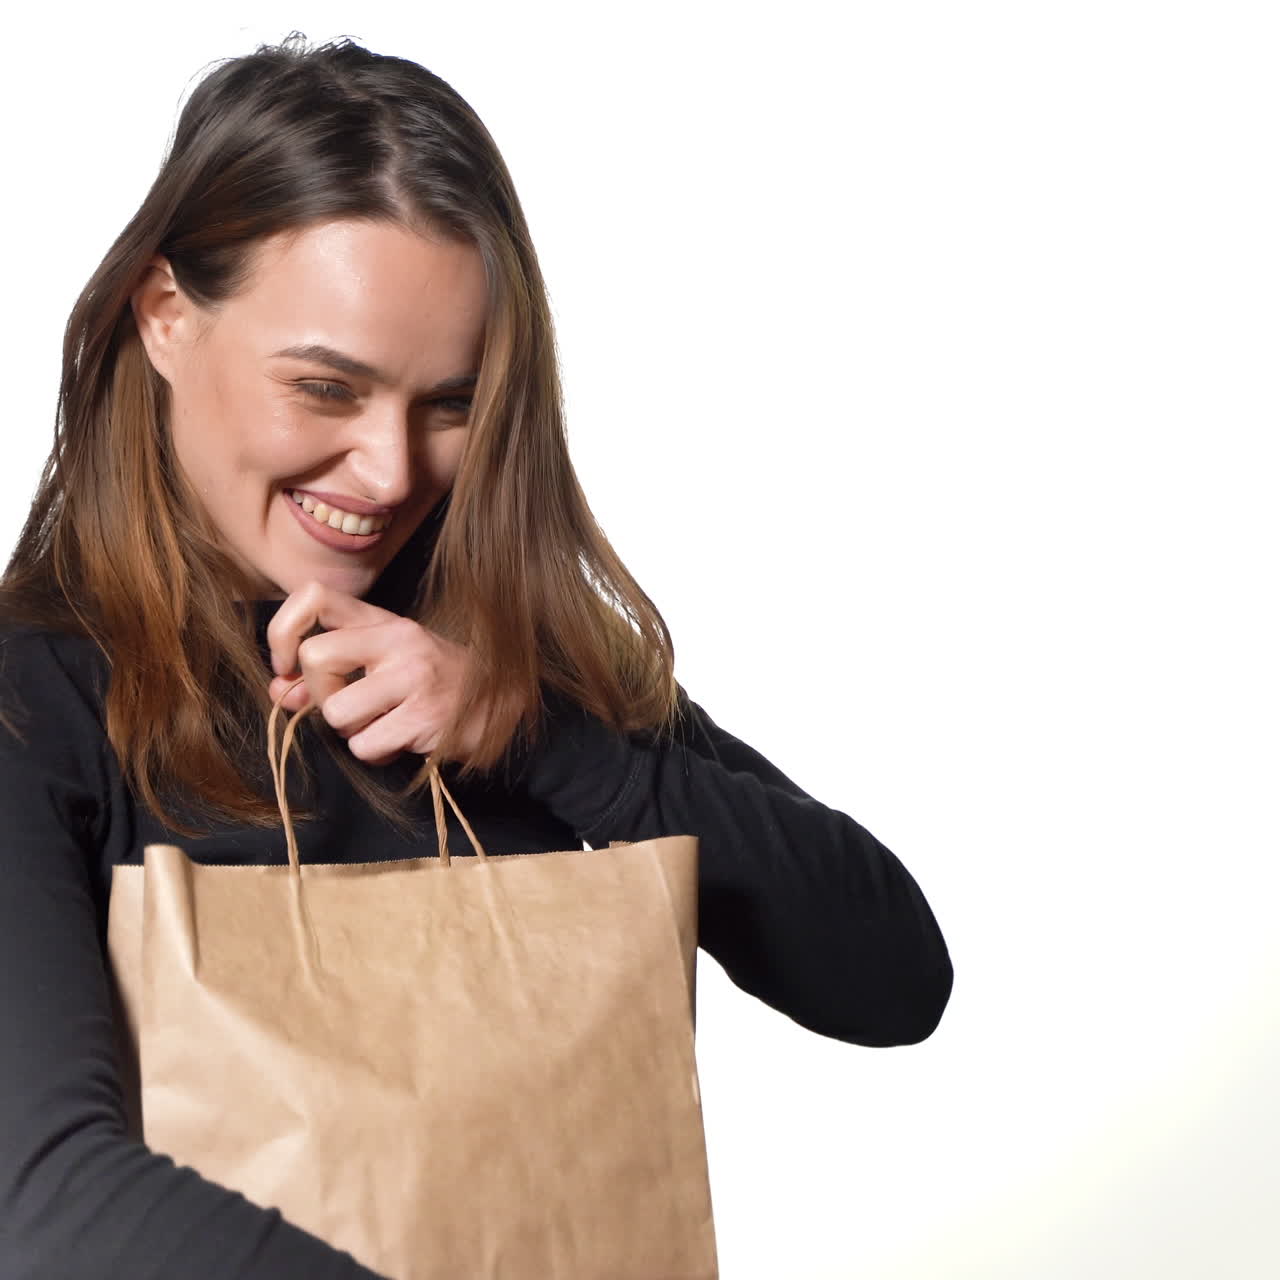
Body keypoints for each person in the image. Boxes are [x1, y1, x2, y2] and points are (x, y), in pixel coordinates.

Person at [0, 32, 953, 1279]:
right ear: (167, 315)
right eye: (327, 388)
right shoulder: (37, 700)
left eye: (450, 404)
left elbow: (891, 977)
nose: (392, 473)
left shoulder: (505, 674)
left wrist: (547, 739)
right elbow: (44, 1200)